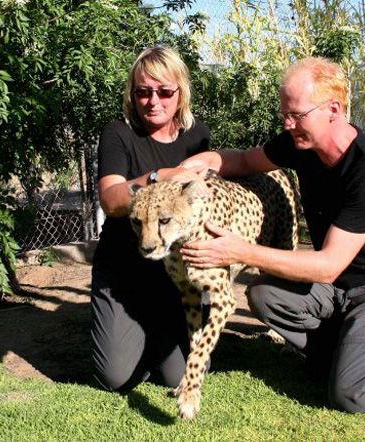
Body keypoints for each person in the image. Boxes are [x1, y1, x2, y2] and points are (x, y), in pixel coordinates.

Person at [178, 57, 365, 413]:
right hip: (337, 289)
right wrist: (197, 164)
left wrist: (240, 251)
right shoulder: (300, 144)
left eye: (297, 115)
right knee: (265, 295)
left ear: (333, 109)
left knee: (352, 394)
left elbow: (327, 266)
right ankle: (343, 356)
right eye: (284, 114)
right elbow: (244, 161)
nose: (287, 124)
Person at [91, 46, 210, 392]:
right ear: (133, 94)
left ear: (180, 92)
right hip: (125, 270)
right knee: (115, 377)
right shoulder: (118, 133)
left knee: (179, 375)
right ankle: (134, 337)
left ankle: (156, 338)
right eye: (143, 91)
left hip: (176, 273)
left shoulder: (197, 136)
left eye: (164, 91)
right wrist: (159, 176)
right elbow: (112, 201)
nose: (153, 101)